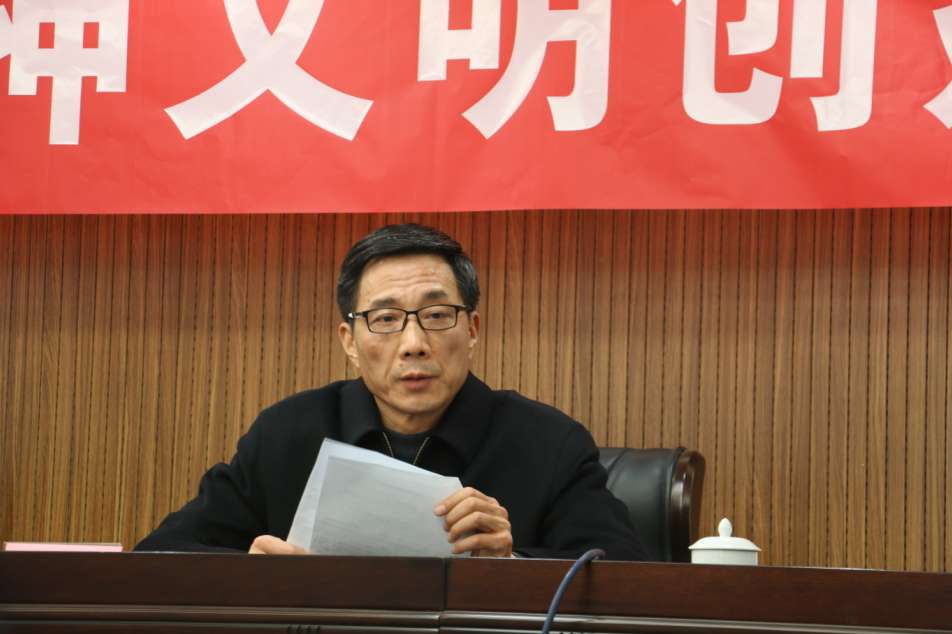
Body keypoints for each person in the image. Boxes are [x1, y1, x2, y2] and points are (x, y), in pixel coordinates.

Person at [135, 224, 646, 560]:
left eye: (437, 315)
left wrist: (510, 564)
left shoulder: (548, 443)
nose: (413, 344)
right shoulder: (288, 434)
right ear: (349, 341)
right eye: (384, 319)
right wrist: (249, 571)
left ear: (472, 329)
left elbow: (626, 577)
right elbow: (161, 555)